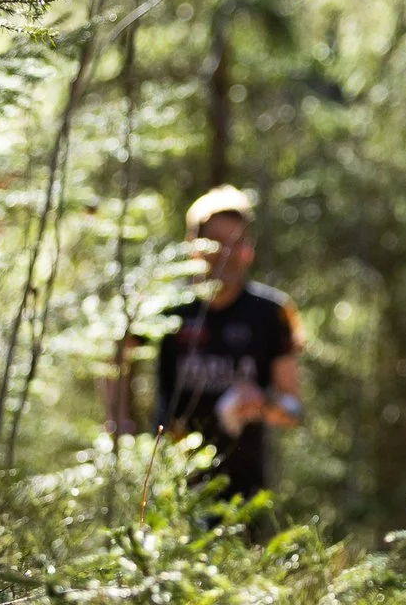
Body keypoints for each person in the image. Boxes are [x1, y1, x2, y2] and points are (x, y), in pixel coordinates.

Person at [104, 185, 307, 507]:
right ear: (192, 246)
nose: (224, 255)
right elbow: (115, 353)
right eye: (214, 243)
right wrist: (119, 425)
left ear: (249, 250)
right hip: (171, 482)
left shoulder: (272, 313)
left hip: (244, 489)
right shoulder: (167, 307)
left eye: (236, 243)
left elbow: (293, 410)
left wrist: (263, 404)